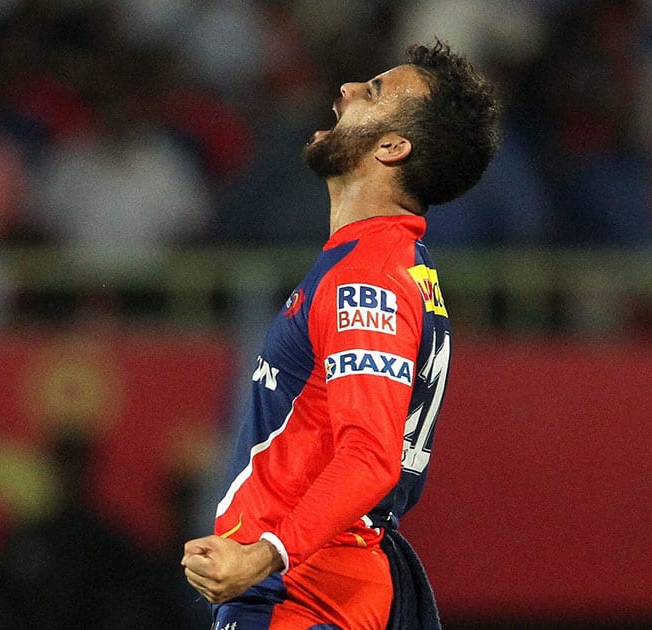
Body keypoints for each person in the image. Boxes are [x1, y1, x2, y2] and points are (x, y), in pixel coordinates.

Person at [182, 39, 501, 629]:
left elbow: (370, 457)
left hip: (304, 595)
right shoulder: (387, 265)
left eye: (373, 92)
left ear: (392, 147)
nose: (347, 91)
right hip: (318, 587)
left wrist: (264, 555)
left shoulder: (366, 280)